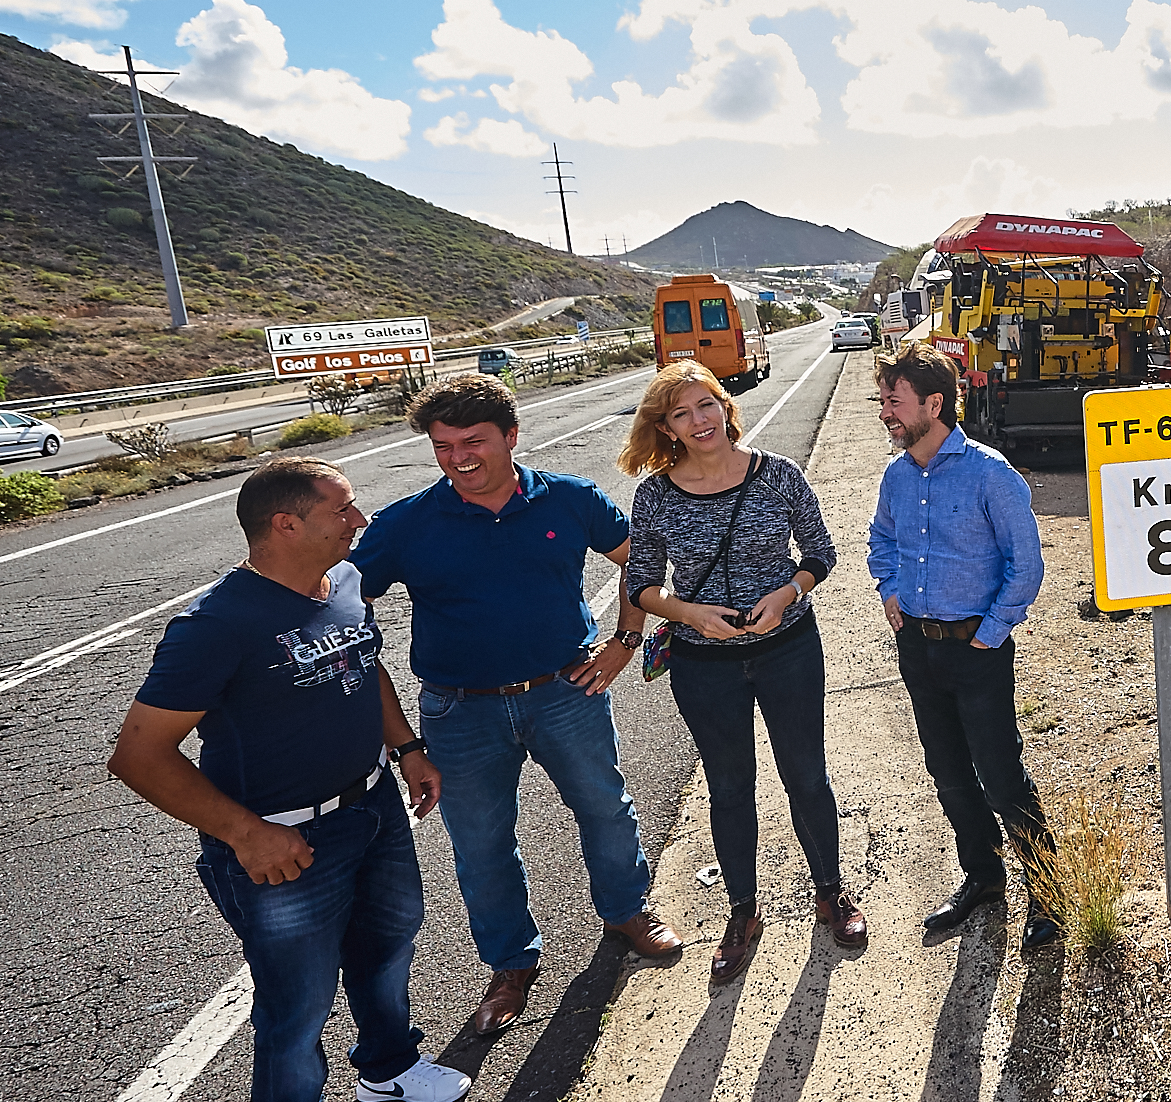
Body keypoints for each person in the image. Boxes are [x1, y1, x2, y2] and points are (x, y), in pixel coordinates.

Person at [107, 458, 468, 1102]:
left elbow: (362, 670)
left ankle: (389, 1067)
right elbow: (138, 755)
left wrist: (405, 749)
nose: (359, 521)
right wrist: (246, 833)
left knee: (388, 946)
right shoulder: (216, 626)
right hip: (285, 843)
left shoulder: (338, 587)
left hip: (371, 809)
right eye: (344, 508)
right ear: (287, 523)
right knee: (296, 996)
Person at [351, 373, 680, 1038]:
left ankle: (625, 912)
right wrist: (403, 742)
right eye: (443, 446)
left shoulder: (570, 499)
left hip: (567, 692)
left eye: (473, 441)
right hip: (459, 711)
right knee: (480, 846)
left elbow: (641, 562)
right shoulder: (406, 524)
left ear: (511, 436)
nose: (458, 458)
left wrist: (624, 642)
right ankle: (510, 965)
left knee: (605, 810)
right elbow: (339, 614)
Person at [622, 362, 862, 983]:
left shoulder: (778, 474)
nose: (698, 421)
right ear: (667, 428)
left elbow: (821, 554)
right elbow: (642, 584)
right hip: (704, 666)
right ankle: (743, 910)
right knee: (728, 787)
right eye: (681, 413)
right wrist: (690, 614)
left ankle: (831, 893)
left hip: (787, 650)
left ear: (725, 407)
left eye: (706, 405)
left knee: (806, 774)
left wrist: (787, 594)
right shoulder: (654, 493)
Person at [866, 344, 1057, 951]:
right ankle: (982, 877)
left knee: (1000, 777)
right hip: (917, 650)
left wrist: (991, 632)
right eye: (883, 403)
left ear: (934, 404)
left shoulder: (991, 473)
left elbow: (1024, 565)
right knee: (948, 773)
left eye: (893, 403)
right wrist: (890, 590)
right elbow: (882, 539)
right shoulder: (896, 476)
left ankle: (1048, 891)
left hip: (977, 649)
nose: (885, 415)